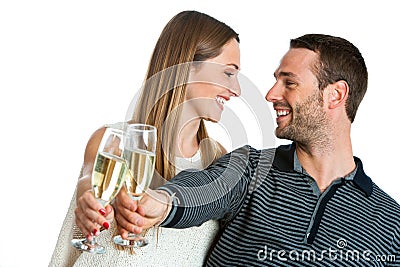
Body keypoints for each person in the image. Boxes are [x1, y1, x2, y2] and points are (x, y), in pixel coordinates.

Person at [113, 34, 400, 266]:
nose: (271, 94)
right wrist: (162, 202)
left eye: (289, 82)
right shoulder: (250, 166)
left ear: (335, 95)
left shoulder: (391, 223)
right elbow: (203, 189)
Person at [49, 10, 241, 267]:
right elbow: (89, 180)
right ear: (187, 67)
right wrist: (89, 202)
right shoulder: (113, 140)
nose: (237, 90)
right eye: (228, 73)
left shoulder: (219, 161)